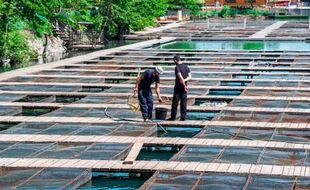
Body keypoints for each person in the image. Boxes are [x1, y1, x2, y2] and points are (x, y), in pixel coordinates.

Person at [167, 55, 192, 121]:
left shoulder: (177, 67)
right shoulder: (186, 66)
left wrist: (184, 83)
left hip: (178, 88)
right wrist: (185, 81)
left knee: (175, 103)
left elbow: (180, 78)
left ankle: (173, 117)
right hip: (184, 88)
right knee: (183, 102)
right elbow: (190, 77)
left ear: (175, 60)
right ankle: (183, 117)